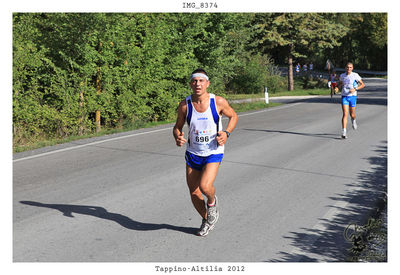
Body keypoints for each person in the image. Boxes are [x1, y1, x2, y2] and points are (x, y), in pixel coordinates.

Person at [173, 68, 238, 236]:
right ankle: (207, 219)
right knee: (193, 191)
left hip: (213, 151)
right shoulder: (184, 105)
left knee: (205, 186)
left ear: (207, 83)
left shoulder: (218, 102)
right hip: (193, 152)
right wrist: (178, 137)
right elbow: (177, 127)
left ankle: (212, 201)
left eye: (201, 81)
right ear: (190, 84)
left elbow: (234, 116)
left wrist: (226, 133)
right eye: (194, 81)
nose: (198, 84)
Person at [338, 62, 365, 139]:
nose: (348, 69)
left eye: (350, 67)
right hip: (344, 96)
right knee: (345, 114)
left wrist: (355, 89)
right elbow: (340, 84)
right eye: (347, 67)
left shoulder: (355, 75)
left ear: (352, 68)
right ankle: (344, 132)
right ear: (345, 68)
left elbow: (363, 85)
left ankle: (353, 120)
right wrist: (337, 88)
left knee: (352, 114)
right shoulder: (342, 76)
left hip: (353, 97)